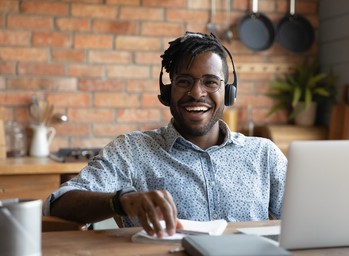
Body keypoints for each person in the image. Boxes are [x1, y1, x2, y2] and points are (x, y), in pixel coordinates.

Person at [43, 31, 287, 238]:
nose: (196, 93)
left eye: (210, 82)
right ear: (168, 91)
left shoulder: (264, 154)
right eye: (184, 81)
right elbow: (57, 206)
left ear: (228, 92)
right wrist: (122, 201)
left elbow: (310, 220)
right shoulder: (131, 150)